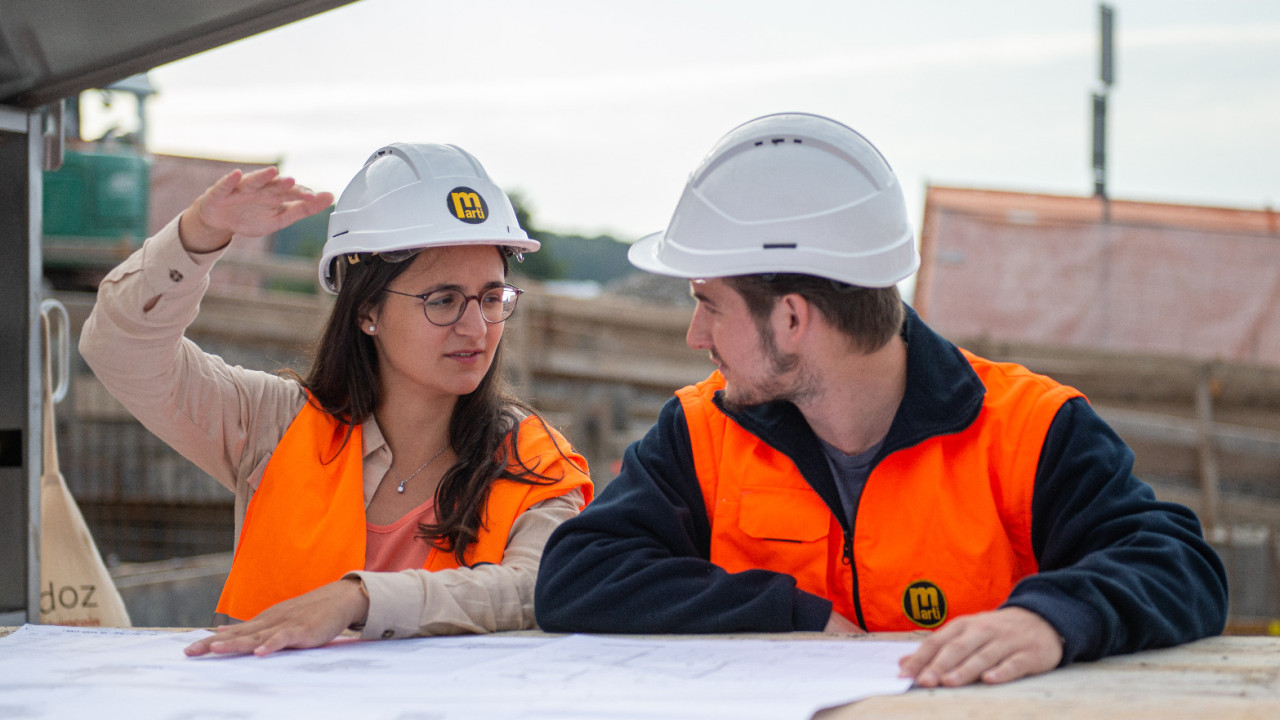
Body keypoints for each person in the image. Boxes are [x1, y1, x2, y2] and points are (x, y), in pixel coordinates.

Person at [534, 113, 1226, 687]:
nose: (695, 336)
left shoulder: (1026, 427)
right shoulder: (703, 428)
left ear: (793, 319)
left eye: (709, 306)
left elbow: (1179, 564)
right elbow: (578, 575)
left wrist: (1049, 619)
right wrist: (790, 614)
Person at [80, 142, 592, 656]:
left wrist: (359, 599)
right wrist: (197, 236)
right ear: (367, 310)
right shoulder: (273, 426)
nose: (476, 326)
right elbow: (120, 349)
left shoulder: (531, 459)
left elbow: (539, 586)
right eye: (443, 300)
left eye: (491, 297)